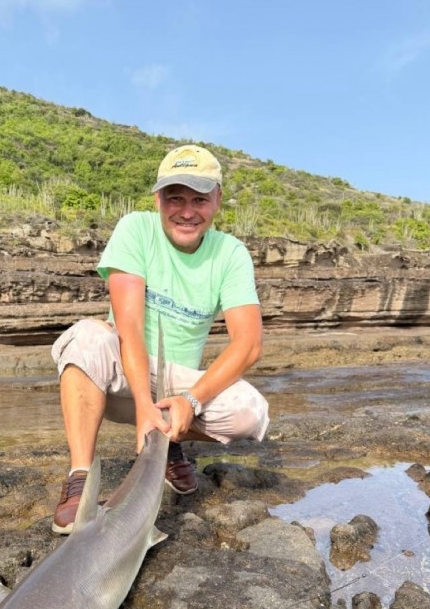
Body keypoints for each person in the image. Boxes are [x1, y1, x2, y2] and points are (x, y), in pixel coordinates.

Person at [50, 144, 269, 534]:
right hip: (122, 373)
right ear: (158, 198)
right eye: (175, 198)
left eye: (199, 199)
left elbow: (248, 343)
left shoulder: (231, 254)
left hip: (176, 385)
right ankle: (80, 477)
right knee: (86, 337)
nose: (187, 211)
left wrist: (191, 399)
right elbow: (129, 328)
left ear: (217, 199)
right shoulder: (136, 229)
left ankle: (167, 445)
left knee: (249, 411)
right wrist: (142, 406)